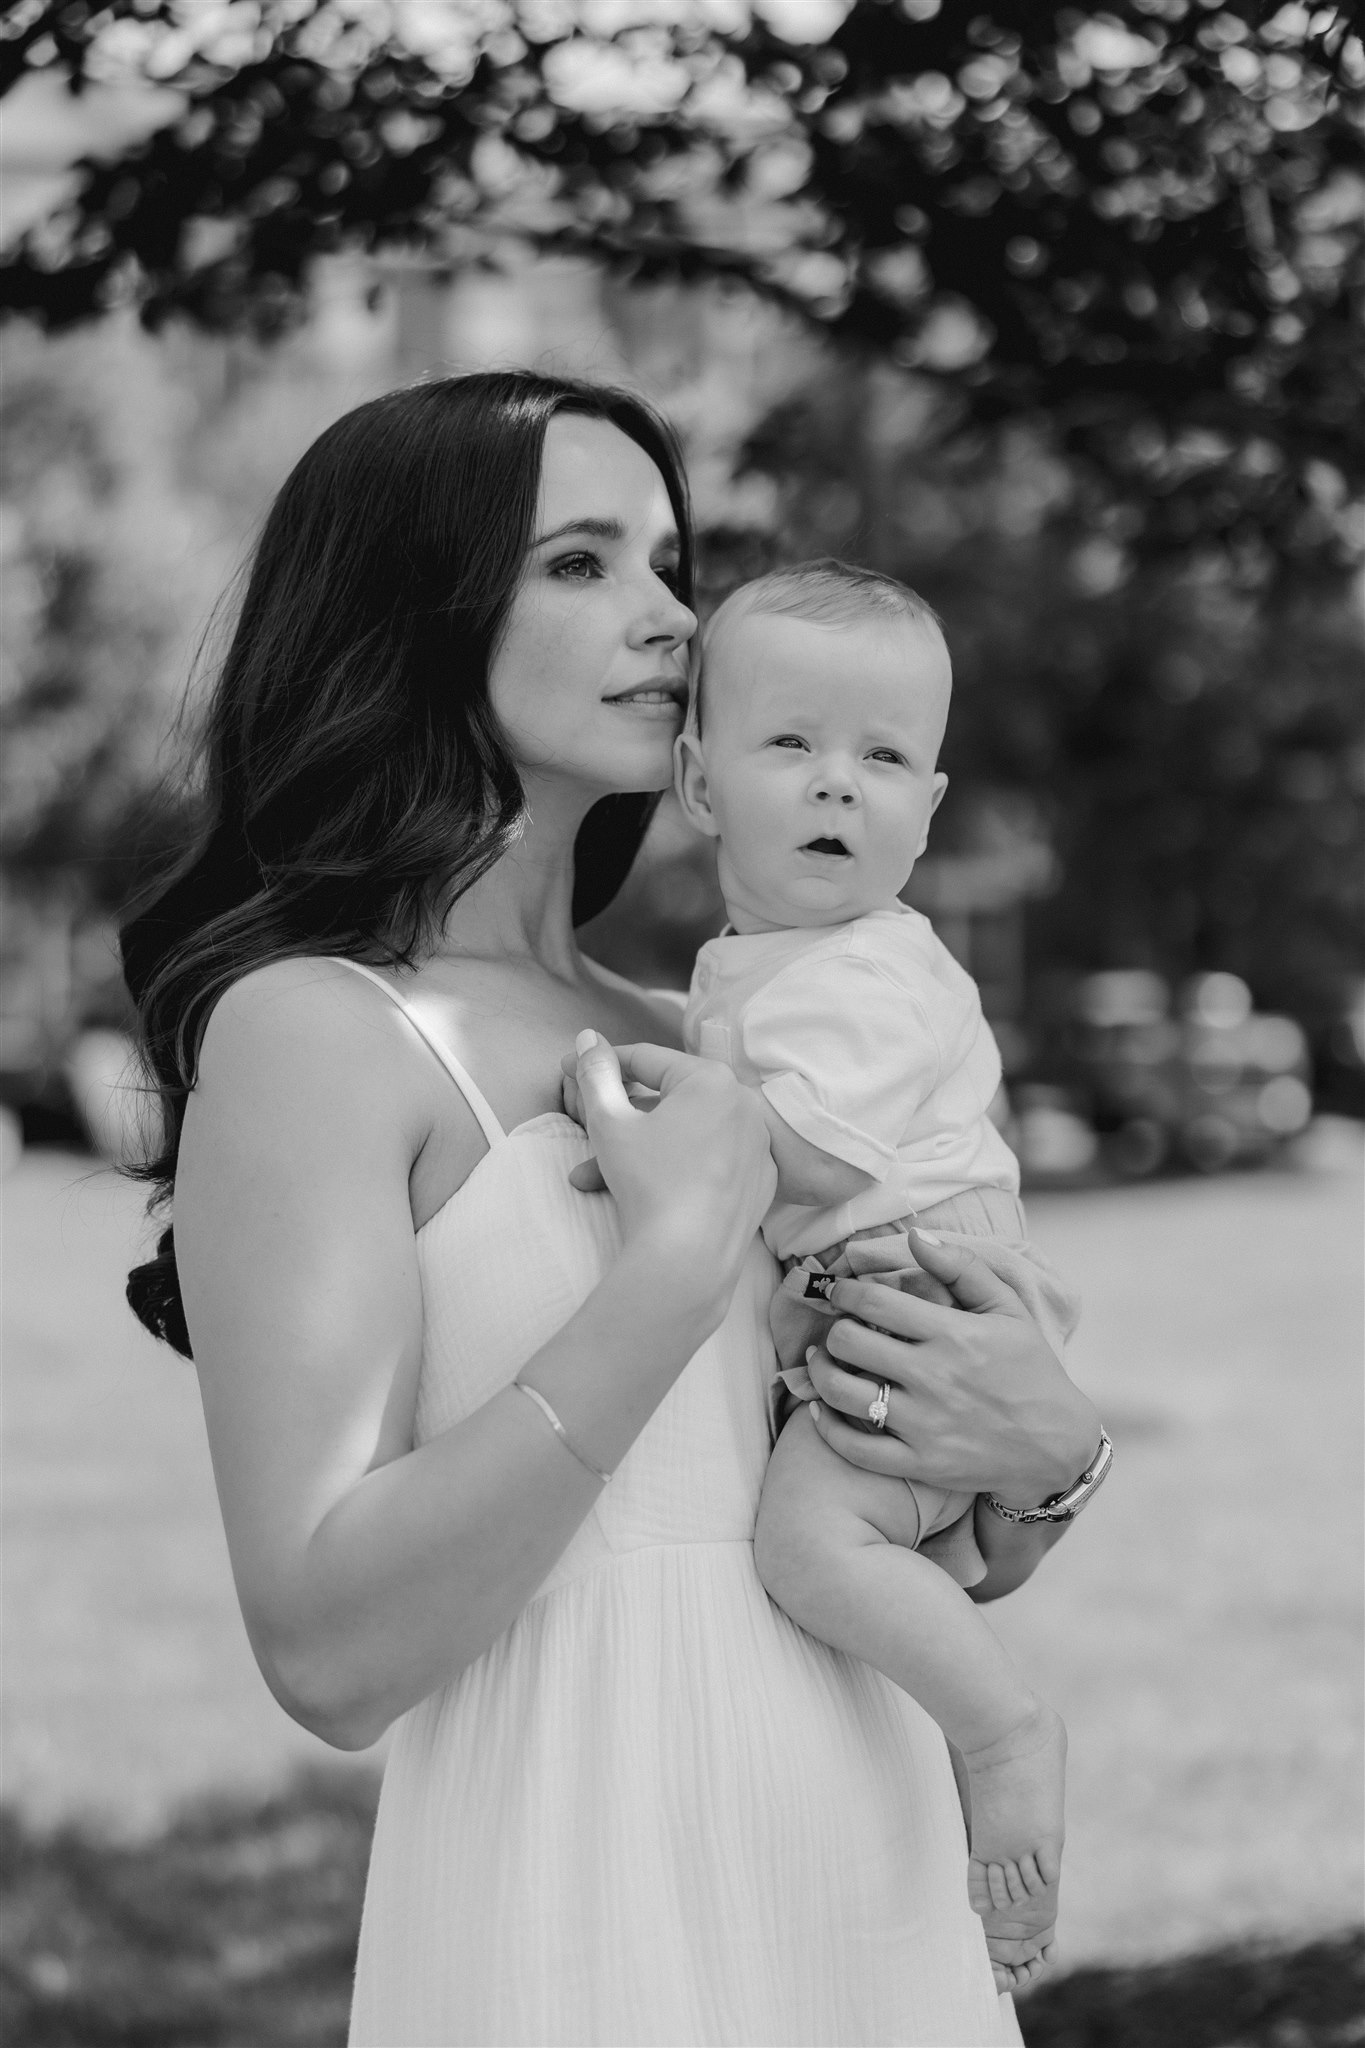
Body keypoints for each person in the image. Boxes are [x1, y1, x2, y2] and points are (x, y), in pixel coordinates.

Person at [121, 369, 1106, 2047]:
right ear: (410, 617)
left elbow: (879, 1514)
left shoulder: (697, 1034)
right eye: (580, 565)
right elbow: (330, 1652)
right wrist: (659, 1269)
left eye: (667, 562)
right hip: (580, 1885)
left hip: (857, 1861)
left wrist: (1047, 1454)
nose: (669, 618)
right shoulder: (315, 1031)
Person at [672, 560, 1106, 1991]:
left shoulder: (869, 969)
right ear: (697, 776)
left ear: (927, 808)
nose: (836, 786)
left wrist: (638, 1118)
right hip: (877, 1288)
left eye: (882, 757)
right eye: (790, 743)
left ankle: (997, 1729)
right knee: (861, 1563)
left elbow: (786, 1157)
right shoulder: (760, 960)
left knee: (812, 1545)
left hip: (922, 1294)